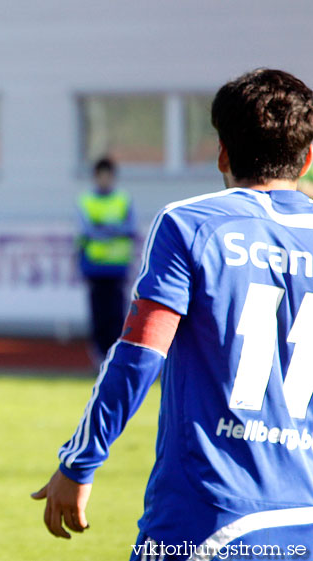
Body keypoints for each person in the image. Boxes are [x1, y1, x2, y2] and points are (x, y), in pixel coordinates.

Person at [33, 68, 313, 558]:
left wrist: (80, 462)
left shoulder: (190, 224)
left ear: (222, 152)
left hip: (209, 516)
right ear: (307, 158)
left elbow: (140, 355)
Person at [76, 157, 136, 362]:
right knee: (98, 314)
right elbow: (87, 232)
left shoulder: (123, 200)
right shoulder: (87, 201)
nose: (104, 180)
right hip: (94, 266)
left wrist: (102, 229)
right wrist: (113, 230)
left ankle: (114, 354)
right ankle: (99, 355)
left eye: (108, 176)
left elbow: (130, 229)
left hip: (117, 267)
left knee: (116, 314)